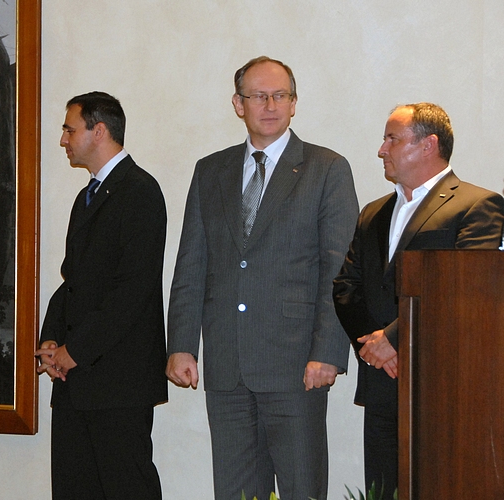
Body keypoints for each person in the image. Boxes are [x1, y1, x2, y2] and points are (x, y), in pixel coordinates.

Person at [166, 56, 359, 500]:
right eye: (258, 96)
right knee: (235, 493)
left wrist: (328, 353)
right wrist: (181, 345)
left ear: (293, 103)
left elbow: (339, 272)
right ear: (239, 104)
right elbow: (191, 263)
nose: (270, 105)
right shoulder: (210, 170)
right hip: (227, 367)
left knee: (301, 489)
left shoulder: (326, 168)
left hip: (297, 368)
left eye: (280, 95)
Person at [333, 102, 504, 497]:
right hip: (381, 383)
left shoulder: (477, 206)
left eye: (392, 139)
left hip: (441, 385)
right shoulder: (373, 212)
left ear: (428, 145)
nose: (381, 149)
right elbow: (345, 287)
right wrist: (375, 345)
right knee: (383, 490)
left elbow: (465, 292)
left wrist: (394, 339)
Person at [35, 91, 168, 500]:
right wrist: (51, 340)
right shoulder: (87, 196)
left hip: (119, 381)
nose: (63, 140)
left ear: (99, 131)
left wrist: (75, 351)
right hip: (76, 381)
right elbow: (72, 281)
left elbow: (133, 291)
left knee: (127, 489)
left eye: (69, 129)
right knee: (74, 489)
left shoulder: (140, 191)